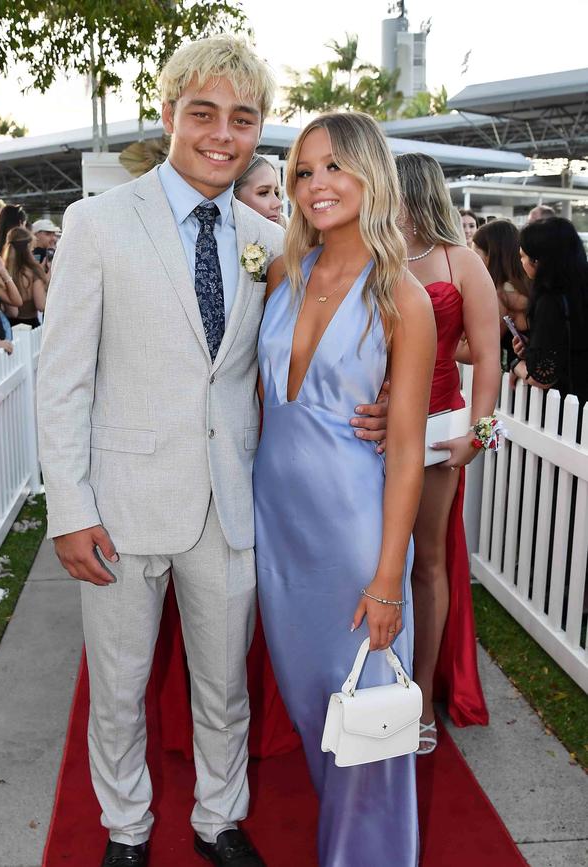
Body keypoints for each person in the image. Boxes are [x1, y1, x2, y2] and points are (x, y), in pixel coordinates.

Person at [254, 112, 435, 867]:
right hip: (277, 528)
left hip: (356, 533)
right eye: (303, 171)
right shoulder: (280, 274)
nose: (315, 185)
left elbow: (405, 450)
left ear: (371, 175)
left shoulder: (403, 296)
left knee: (365, 717)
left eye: (334, 167)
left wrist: (389, 577)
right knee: (311, 709)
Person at [396, 153, 501, 752]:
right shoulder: (371, 251)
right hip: (369, 434)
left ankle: (420, 705)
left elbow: (489, 356)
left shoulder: (463, 262)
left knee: (426, 562)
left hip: (438, 431)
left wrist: (480, 434)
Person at [512, 216, 588, 406]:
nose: (521, 262)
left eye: (523, 256)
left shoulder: (550, 300)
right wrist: (534, 348)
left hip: (568, 409)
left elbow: (542, 377)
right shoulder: (578, 290)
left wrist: (516, 366)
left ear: (537, 261)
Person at [469, 219, 530, 369]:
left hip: (520, 383)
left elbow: (475, 349)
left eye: (475, 255)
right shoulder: (524, 286)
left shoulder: (502, 295)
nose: (470, 262)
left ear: (491, 255)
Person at [2, 227, 47, 328]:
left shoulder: (2, 271)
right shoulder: (34, 271)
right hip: (30, 326)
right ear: (28, 247)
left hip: (8, 326)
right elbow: (41, 305)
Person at [233, 155, 283, 224]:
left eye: (276, 193)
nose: (278, 204)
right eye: (263, 193)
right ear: (234, 195)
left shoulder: (288, 232)